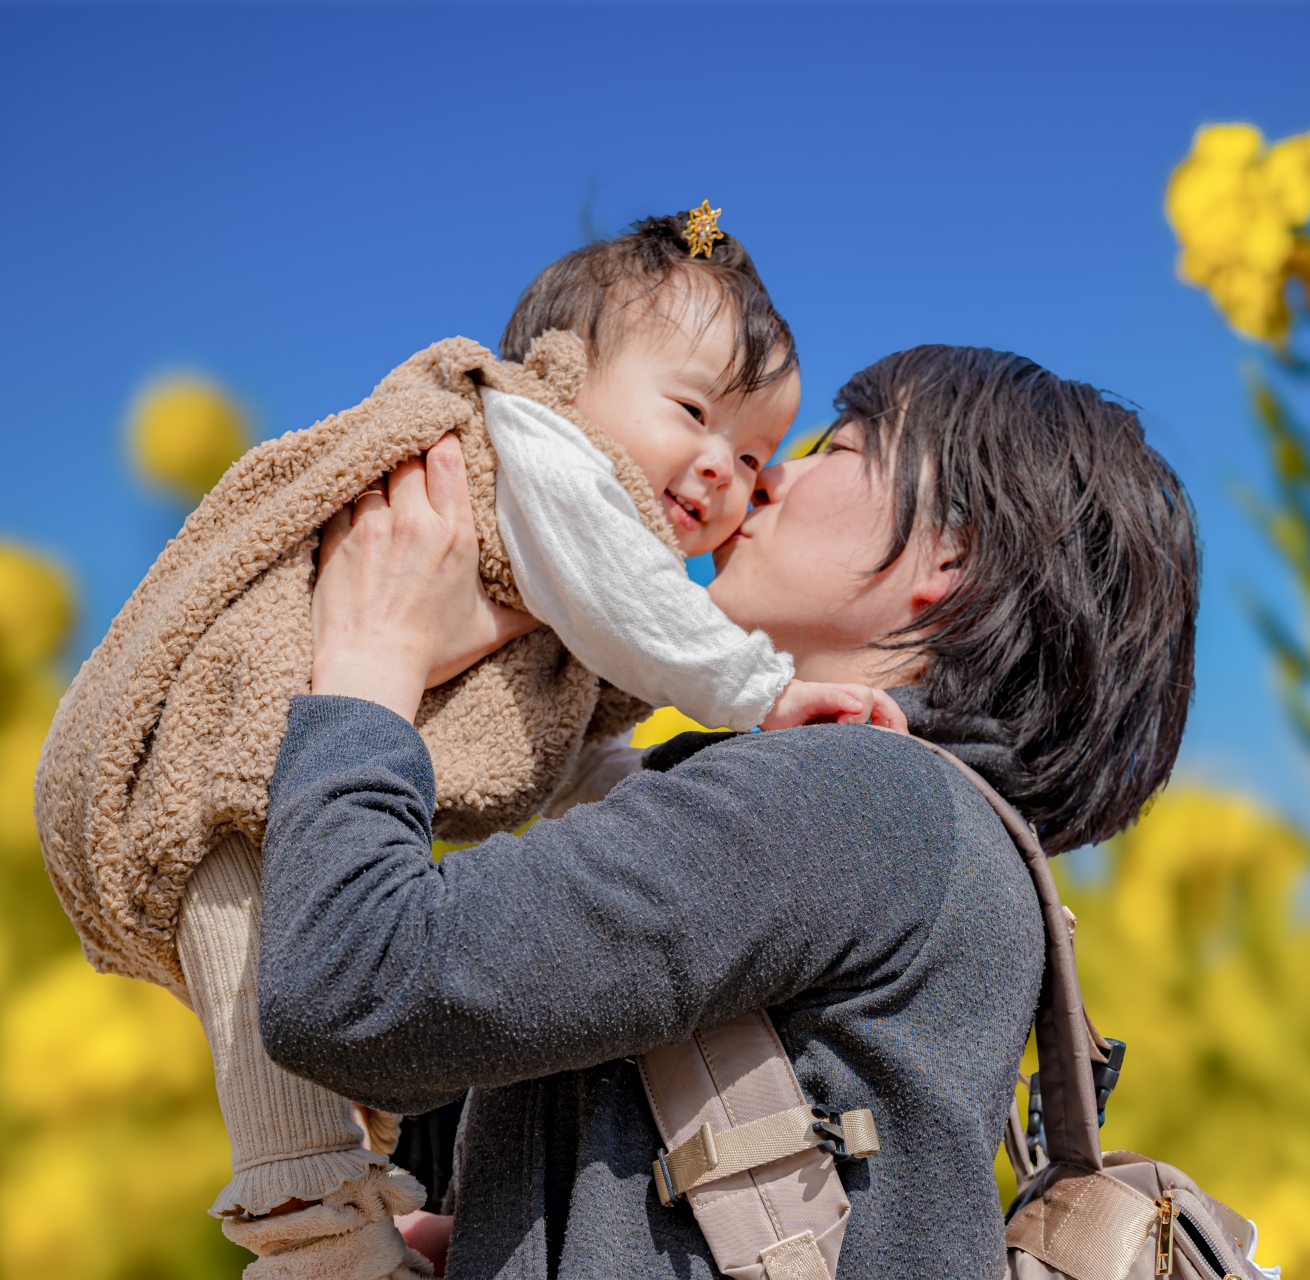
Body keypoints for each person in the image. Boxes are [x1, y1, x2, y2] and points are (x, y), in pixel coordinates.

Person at [260, 345, 1201, 1277]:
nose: (768, 479)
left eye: (839, 448)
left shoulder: (852, 800)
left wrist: (373, 657)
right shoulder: (935, 838)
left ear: (952, 554)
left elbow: (354, 986)